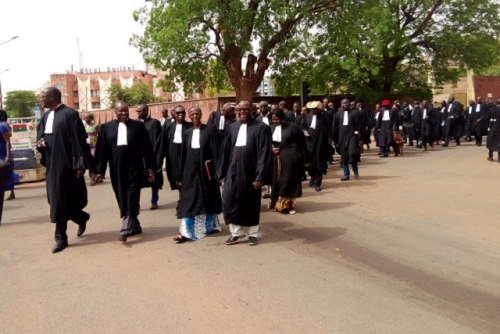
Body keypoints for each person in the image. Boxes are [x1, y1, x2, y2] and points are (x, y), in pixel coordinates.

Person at [36, 87, 93, 253]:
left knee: (61, 201)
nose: (42, 100)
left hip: (68, 166)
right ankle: (81, 217)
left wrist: (80, 165)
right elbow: (41, 137)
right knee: (56, 200)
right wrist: (40, 143)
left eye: (44, 97)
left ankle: (61, 237)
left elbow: (78, 141)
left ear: (53, 97)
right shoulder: (46, 116)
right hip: (53, 165)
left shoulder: (70, 114)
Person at [93, 101, 156, 243]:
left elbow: (146, 148)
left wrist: (150, 168)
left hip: (135, 166)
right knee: (120, 193)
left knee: (132, 193)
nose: (124, 113)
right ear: (115, 111)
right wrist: (99, 171)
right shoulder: (106, 128)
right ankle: (135, 224)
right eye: (121, 111)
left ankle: (126, 224)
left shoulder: (138, 126)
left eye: (126, 111)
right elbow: (101, 150)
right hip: (116, 168)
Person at [217, 99, 273, 246]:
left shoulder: (262, 128)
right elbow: (225, 151)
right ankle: (236, 233)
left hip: (251, 171)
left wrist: (260, 175)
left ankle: (252, 233)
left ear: (252, 111)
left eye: (246, 109)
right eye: (240, 110)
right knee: (229, 200)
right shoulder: (232, 128)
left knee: (251, 202)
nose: (242, 112)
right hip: (233, 171)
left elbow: (264, 153)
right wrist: (221, 173)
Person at [173, 106, 222, 242]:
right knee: (188, 199)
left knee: (208, 198)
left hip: (206, 172)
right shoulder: (187, 133)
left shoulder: (210, 130)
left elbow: (216, 152)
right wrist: (178, 175)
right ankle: (185, 231)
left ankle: (209, 226)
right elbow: (181, 156)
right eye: (192, 113)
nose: (195, 116)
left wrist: (218, 172)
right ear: (189, 116)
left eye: (197, 113)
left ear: (201, 114)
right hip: (189, 172)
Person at [268, 109, 307, 214]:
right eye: (273, 119)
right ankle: (276, 204)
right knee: (276, 181)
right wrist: (271, 149)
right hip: (275, 159)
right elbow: (266, 143)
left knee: (287, 181)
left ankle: (286, 206)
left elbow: (301, 143)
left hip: (290, 158)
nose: (274, 121)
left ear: (282, 118)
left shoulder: (293, 127)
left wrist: (302, 158)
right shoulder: (270, 128)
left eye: (276, 119)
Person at [158, 105, 193, 191]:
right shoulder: (168, 126)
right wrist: (159, 160)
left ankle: (183, 200)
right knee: (173, 179)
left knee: (185, 179)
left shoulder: (190, 126)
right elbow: (163, 143)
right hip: (172, 158)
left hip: (185, 158)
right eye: (178, 113)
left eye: (183, 113)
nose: (180, 114)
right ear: (174, 114)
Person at [136, 103, 163, 210]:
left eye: (139, 111)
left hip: (152, 157)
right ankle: (136, 203)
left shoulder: (154, 123)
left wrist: (157, 158)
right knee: (137, 182)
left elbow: (158, 141)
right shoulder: (134, 124)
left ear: (146, 111)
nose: (137, 113)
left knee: (154, 180)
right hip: (139, 158)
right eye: (136, 111)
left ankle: (154, 201)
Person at [302, 101, 330, 191]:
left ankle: (318, 182)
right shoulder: (307, 117)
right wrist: (304, 131)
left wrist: (329, 140)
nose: (313, 110)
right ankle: (312, 178)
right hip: (309, 144)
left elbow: (330, 130)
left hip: (320, 144)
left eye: (315, 109)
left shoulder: (325, 118)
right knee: (310, 164)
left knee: (319, 163)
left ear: (319, 109)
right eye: (312, 109)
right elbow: (303, 127)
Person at [332, 99, 362, 181]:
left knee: (352, 154)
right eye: (343, 103)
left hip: (352, 136)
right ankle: (346, 174)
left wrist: (358, 136)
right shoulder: (338, 114)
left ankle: (355, 171)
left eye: (346, 102)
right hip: (341, 137)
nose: (345, 104)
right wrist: (334, 138)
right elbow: (335, 127)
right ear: (341, 104)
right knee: (343, 156)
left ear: (349, 104)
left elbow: (358, 126)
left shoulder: (355, 113)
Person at [0, 110, 19, 200]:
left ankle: (11, 193)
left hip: (3, 152)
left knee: (6, 172)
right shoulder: (5, 124)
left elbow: (7, 141)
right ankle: (11, 193)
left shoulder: (2, 126)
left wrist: (7, 155)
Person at [83, 112, 100, 186]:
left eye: (87, 118)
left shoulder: (96, 126)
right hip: (87, 146)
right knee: (89, 161)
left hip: (95, 145)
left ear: (91, 118)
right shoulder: (85, 126)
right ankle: (92, 177)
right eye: (85, 118)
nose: (85, 119)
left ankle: (94, 177)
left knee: (93, 160)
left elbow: (100, 135)